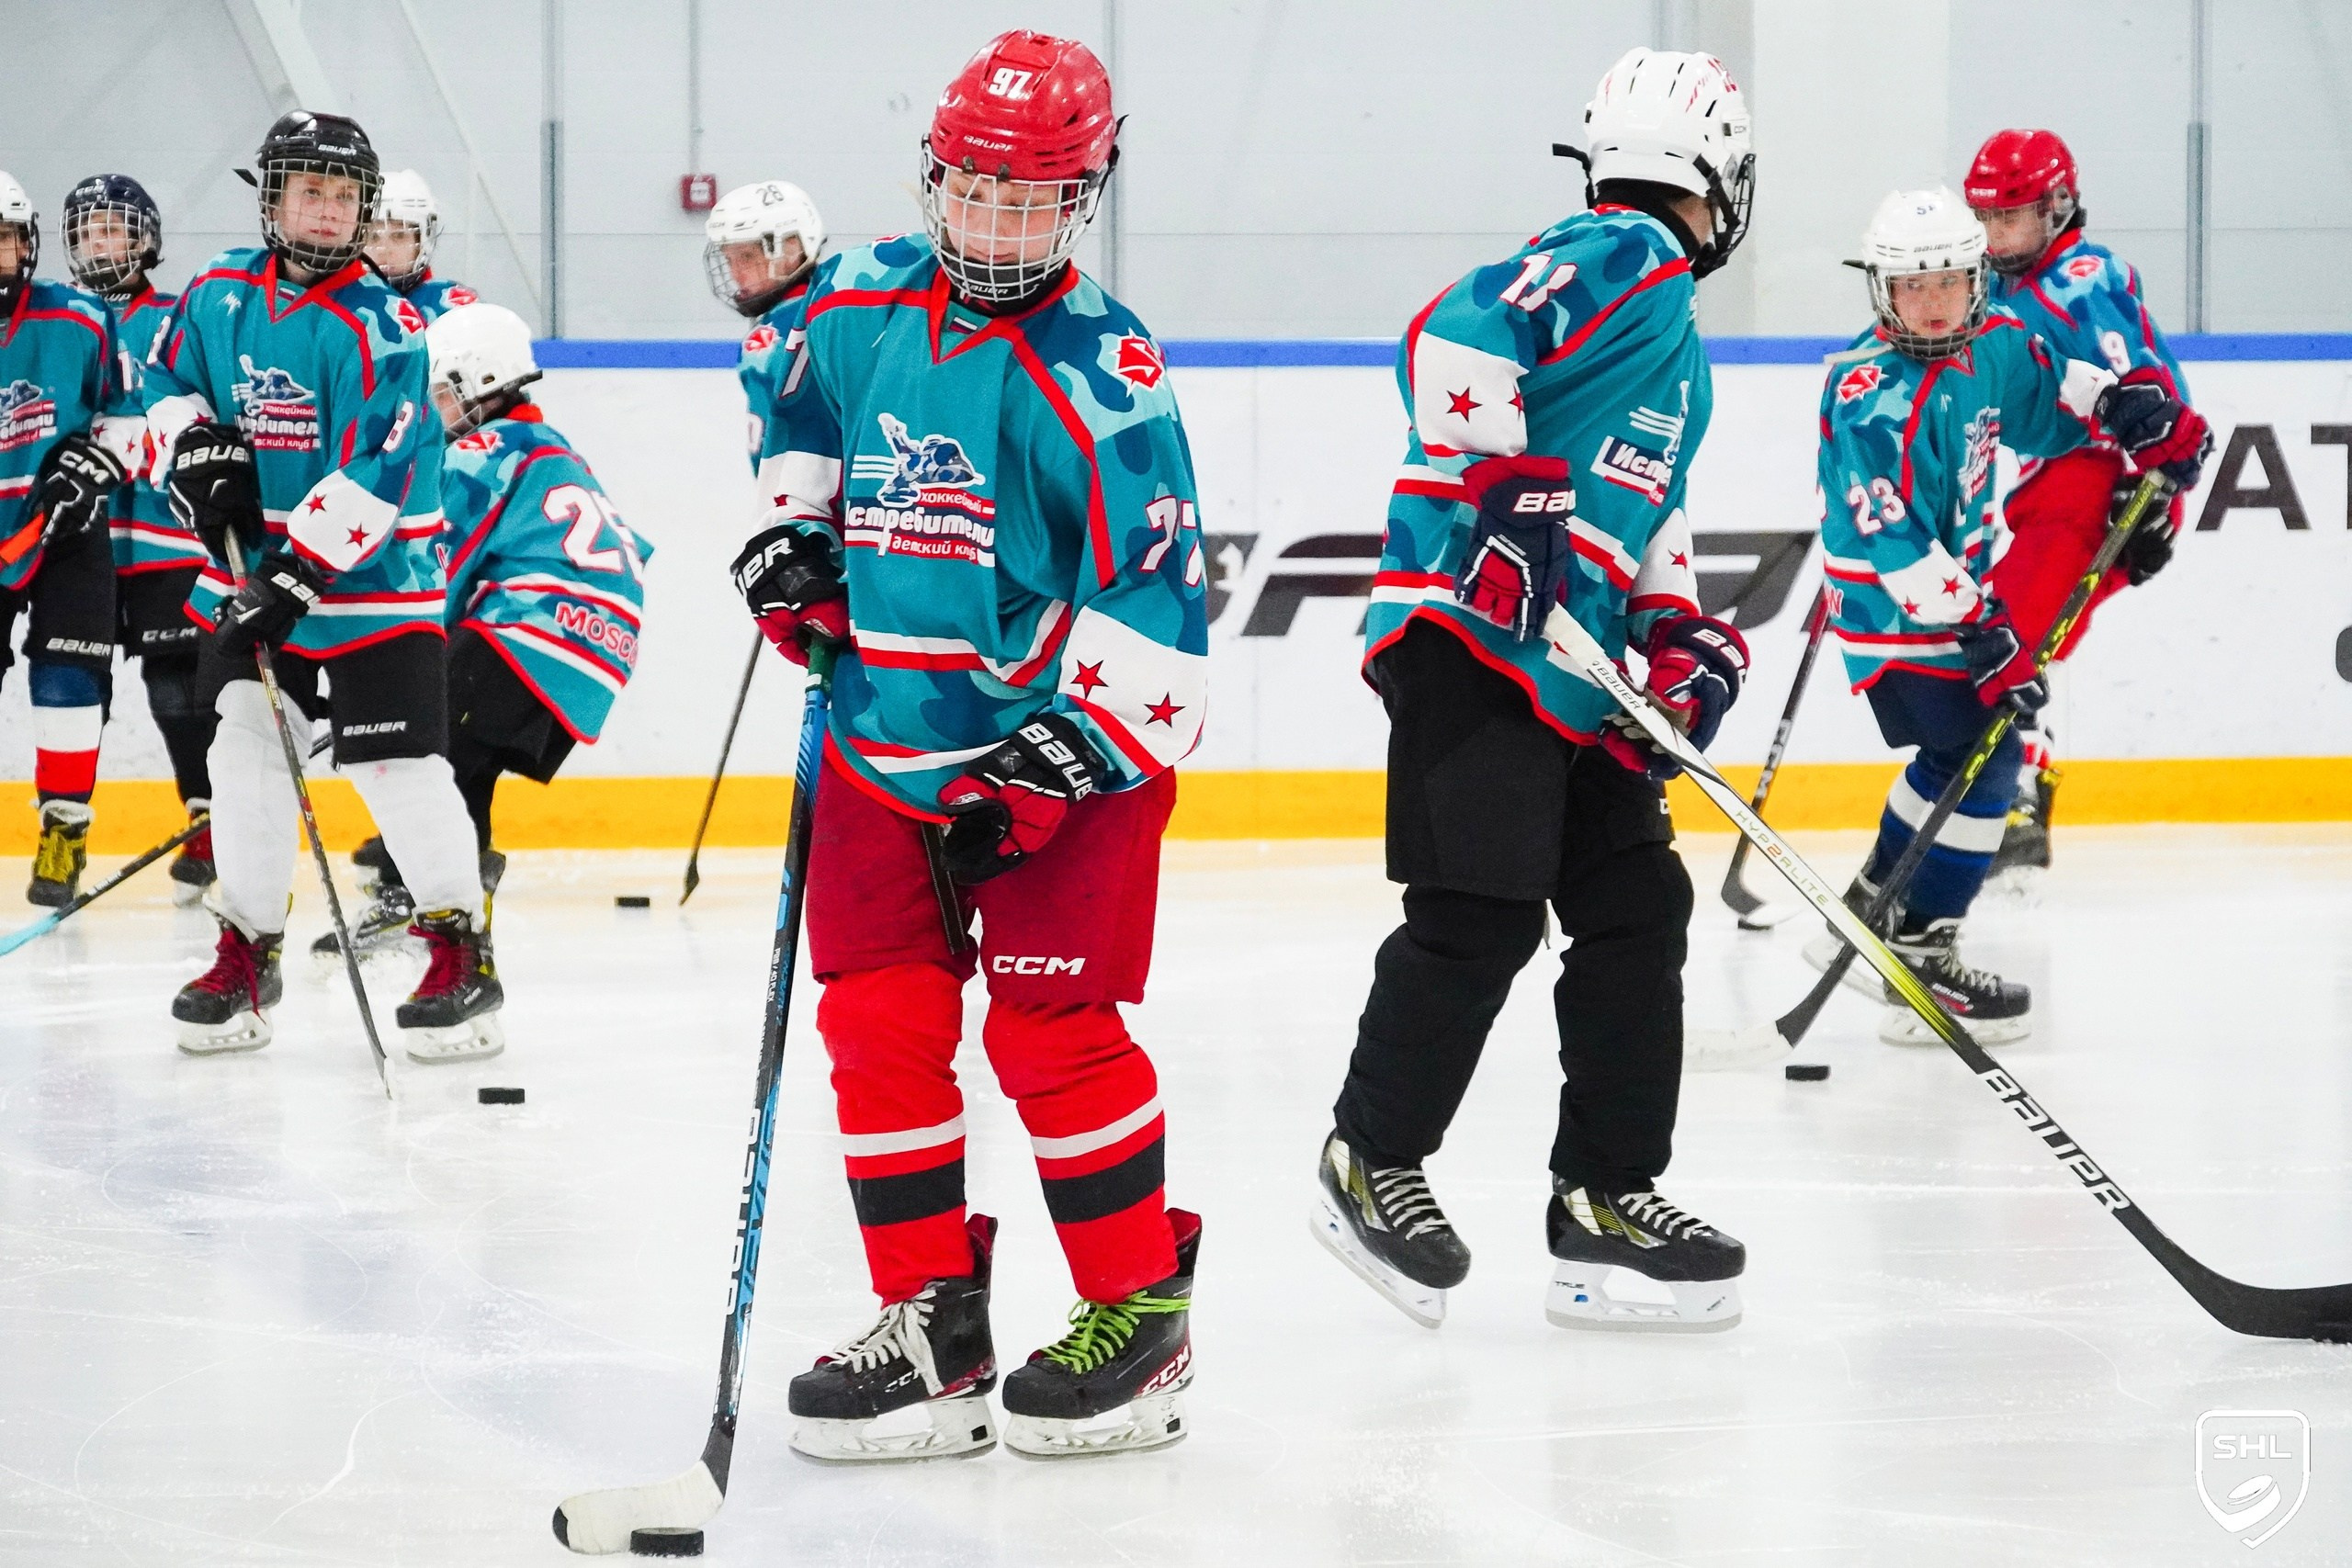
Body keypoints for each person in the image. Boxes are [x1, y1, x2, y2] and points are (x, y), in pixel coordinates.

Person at [733, 29, 1205, 1461]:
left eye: (1035, 200)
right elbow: (795, 415)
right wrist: (789, 542)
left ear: (1085, 196)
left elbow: (1165, 605)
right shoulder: (863, 295)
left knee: (1051, 1031)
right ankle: (932, 1319)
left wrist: (1060, 761)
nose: (1000, 228)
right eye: (977, 192)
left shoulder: (1109, 372)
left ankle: (1142, 1317)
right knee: (876, 1021)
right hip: (884, 735)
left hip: (1061, 759)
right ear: (933, 176)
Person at [1310, 49, 1758, 1337]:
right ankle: (1369, 1153)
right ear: (1721, 176)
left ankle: (1607, 1196)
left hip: (1573, 666)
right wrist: (1496, 485)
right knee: (1482, 909)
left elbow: (1645, 521)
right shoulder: (1621, 251)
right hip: (1468, 632)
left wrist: (1681, 645)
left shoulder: (1678, 351)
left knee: (1635, 905)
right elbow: (1452, 336)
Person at [1803, 187, 2207, 1044]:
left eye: (1949, 281)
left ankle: (1874, 905)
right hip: (1894, 602)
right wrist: (1981, 630)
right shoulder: (1865, 392)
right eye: (1912, 287)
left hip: (1953, 593)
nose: (1933, 302)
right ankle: (1919, 946)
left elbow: (2055, 389)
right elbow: (1897, 542)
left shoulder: (1992, 344)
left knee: (1966, 754)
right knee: (1986, 759)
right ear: (1882, 291)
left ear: (1976, 279)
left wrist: (2121, 407)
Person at [144, 110, 500, 1062]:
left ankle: (462, 959)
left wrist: (296, 573)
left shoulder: (382, 323)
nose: (329, 210)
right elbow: (163, 384)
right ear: (271, 196)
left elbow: (378, 470)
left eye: (346, 195)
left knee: (397, 769)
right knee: (245, 756)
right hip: (256, 572)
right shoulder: (217, 292)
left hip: (376, 583)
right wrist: (192, 446)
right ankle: (247, 957)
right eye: (310, 189)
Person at [317, 304, 650, 976]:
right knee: (459, 760)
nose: (434, 409)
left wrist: (384, 664)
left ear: (480, 383)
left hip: (537, 628)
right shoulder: (539, 441)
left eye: (441, 393)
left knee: (428, 744)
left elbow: (443, 567)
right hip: (589, 639)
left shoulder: (480, 450)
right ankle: (437, 883)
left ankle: (431, 901)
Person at [1963, 130, 2196, 885]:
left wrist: (2155, 486)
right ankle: (2024, 794)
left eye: (2014, 218)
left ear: (2059, 207)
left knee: (2008, 638)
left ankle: (2015, 801)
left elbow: (2152, 399)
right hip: (2056, 486)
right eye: (1988, 219)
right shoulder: (1998, 283)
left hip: (2106, 485)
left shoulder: (2083, 279)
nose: (1998, 235)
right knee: (2015, 638)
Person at [62, 173, 219, 901]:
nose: (100, 241)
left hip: (166, 536)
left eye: (114, 228)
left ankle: (211, 823)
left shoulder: (178, 314)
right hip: (78, 539)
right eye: (87, 229)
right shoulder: (59, 320)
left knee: (177, 686)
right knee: (73, 685)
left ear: (145, 238)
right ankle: (62, 834)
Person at [0, 171, 141, 905]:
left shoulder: (81, 317)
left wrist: (96, 461)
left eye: (1, 237)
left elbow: (129, 417)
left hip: (67, 529)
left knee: (67, 679)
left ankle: (64, 828)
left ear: (27, 244)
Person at [364, 169, 478, 320]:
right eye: (373, 237)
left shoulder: (448, 305)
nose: (385, 250)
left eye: (399, 236)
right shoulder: (341, 304)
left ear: (422, 241)